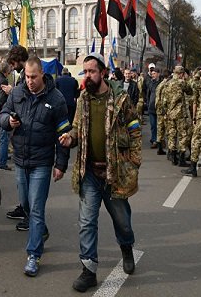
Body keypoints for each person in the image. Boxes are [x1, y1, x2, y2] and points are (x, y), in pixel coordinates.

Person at [60, 52, 142, 293]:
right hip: (90, 173)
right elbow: (76, 127)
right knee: (86, 223)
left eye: (92, 71)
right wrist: (70, 137)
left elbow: (135, 128)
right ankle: (89, 270)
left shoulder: (121, 99)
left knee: (122, 221)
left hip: (115, 173)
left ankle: (126, 248)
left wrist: (134, 161)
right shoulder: (82, 98)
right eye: (85, 72)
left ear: (103, 72)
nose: (87, 76)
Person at [0, 56, 70, 277]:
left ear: (42, 75)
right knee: (27, 206)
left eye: (33, 77)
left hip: (42, 161)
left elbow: (64, 133)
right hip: (20, 159)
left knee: (37, 208)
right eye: (27, 77)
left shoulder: (56, 98)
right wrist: (7, 122)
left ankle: (33, 254)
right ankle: (41, 231)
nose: (29, 81)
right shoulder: (18, 93)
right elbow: (1, 115)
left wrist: (60, 164)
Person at [4, 45, 30, 225]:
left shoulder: (28, 77)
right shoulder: (22, 77)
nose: (12, 67)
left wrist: (12, 92)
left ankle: (30, 216)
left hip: (30, 138)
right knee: (21, 180)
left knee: (27, 181)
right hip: (21, 137)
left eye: (14, 63)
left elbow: (27, 98)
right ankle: (24, 207)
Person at [164, 66, 193, 167]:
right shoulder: (181, 83)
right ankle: (181, 158)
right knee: (182, 135)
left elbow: (164, 100)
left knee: (172, 134)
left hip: (170, 113)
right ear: (181, 74)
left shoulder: (167, 84)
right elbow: (190, 91)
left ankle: (172, 156)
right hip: (180, 113)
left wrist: (167, 111)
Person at [0, 61, 13, 170]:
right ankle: (2, 163)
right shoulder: (3, 81)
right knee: (4, 138)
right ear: (6, 70)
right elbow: (2, 99)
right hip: (1, 112)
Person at [146, 67, 162, 149]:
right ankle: (154, 139)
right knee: (153, 125)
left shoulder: (161, 83)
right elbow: (148, 94)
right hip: (151, 107)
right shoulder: (150, 83)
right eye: (152, 74)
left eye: (154, 73)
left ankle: (158, 140)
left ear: (158, 74)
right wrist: (148, 103)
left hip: (159, 108)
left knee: (158, 125)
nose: (153, 75)